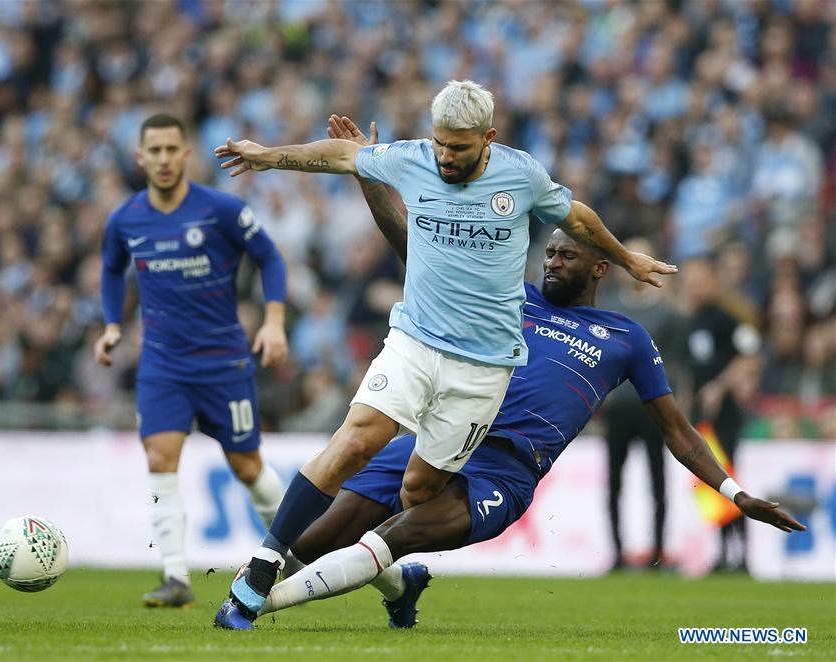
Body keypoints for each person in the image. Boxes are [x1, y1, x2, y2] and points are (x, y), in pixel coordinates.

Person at [213, 116, 804, 631]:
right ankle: (390, 586)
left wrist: (735, 493)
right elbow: (415, 251)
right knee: (317, 541)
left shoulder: (627, 338)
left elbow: (677, 430)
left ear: (598, 266)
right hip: (439, 432)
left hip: (505, 469)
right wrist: (370, 181)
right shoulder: (507, 298)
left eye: (565, 256)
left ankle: (248, 609)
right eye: (548, 253)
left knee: (392, 536)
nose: (551, 261)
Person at [95, 114, 288, 607]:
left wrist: (273, 321)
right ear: (140, 158)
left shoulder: (220, 210)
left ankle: (297, 548)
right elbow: (113, 270)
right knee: (160, 458)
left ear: (186, 155)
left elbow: (270, 257)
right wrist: (113, 324)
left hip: (224, 363)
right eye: (153, 150)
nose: (162, 159)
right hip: (163, 365)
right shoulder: (126, 219)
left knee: (247, 467)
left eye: (170, 150)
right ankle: (176, 577)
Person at [599, 237, 683, 570]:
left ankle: (659, 551)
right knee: (614, 482)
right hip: (618, 408)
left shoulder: (668, 313)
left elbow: (675, 364)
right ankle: (617, 553)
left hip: (653, 409)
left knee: (658, 482)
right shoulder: (606, 305)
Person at [678, 257, 763, 572]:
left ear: (713, 281)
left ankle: (741, 556)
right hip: (701, 420)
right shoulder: (692, 321)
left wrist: (720, 386)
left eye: (700, 279)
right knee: (712, 486)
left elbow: (751, 356)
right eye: (691, 280)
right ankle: (724, 553)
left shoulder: (727, 320)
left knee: (730, 482)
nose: (694, 286)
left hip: (724, 416)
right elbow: (690, 370)